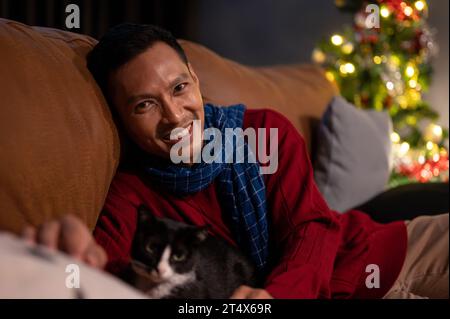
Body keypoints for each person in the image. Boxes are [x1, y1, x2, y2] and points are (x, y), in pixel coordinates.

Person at [23, 23, 449, 299]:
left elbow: (312, 229)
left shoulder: (264, 132)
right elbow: (109, 264)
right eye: (144, 105)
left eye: (178, 88)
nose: (175, 116)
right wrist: (71, 255)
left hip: (387, 249)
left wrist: (273, 298)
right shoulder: (130, 197)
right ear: (119, 117)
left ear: (194, 76)